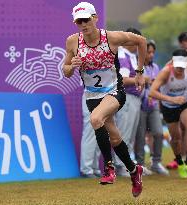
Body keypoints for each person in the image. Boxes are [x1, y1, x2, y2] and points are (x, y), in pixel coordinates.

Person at [63, 2, 146, 197]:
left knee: (95, 120)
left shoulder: (111, 37)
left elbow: (141, 41)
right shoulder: (73, 42)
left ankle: (108, 167)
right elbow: (65, 72)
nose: (83, 24)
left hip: (114, 91)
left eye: (86, 19)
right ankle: (134, 171)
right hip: (92, 95)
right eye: (79, 21)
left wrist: (139, 72)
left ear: (95, 18)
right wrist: (72, 66)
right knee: (115, 137)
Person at [150, 49, 187, 178]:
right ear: (173, 62)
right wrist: (172, 99)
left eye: (182, 66)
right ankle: (180, 162)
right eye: (177, 66)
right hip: (169, 107)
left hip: (185, 104)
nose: (179, 69)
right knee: (176, 138)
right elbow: (152, 92)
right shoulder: (165, 73)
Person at [113, 27, 144, 177]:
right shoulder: (122, 55)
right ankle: (120, 166)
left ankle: (128, 164)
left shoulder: (132, 56)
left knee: (130, 134)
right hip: (126, 97)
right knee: (124, 133)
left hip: (135, 98)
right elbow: (123, 80)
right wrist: (140, 79)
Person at [134, 40, 169, 175]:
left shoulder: (156, 67)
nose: (151, 55)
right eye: (148, 52)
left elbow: (159, 87)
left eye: (153, 52)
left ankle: (156, 162)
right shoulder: (137, 66)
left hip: (153, 105)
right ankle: (140, 165)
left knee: (159, 133)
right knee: (140, 136)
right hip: (140, 105)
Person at [166, 31, 187, 170]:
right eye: (185, 41)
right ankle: (179, 158)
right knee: (178, 133)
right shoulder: (171, 64)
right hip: (173, 100)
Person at [80, 93, 101, 178]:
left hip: (104, 95)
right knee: (90, 133)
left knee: (100, 134)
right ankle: (86, 169)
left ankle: (94, 168)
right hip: (92, 93)